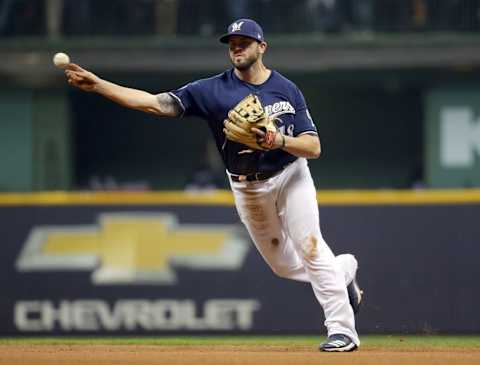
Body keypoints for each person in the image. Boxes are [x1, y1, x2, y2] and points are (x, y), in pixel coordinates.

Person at [64, 18, 363, 352]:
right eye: (232, 43)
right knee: (283, 266)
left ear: (262, 46)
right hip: (247, 188)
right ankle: (342, 272)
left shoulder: (286, 89)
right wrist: (100, 85)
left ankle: (342, 331)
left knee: (310, 246)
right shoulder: (210, 91)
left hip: (291, 175)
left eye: (244, 42)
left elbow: (313, 147)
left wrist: (276, 139)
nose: (236, 47)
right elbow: (152, 103)